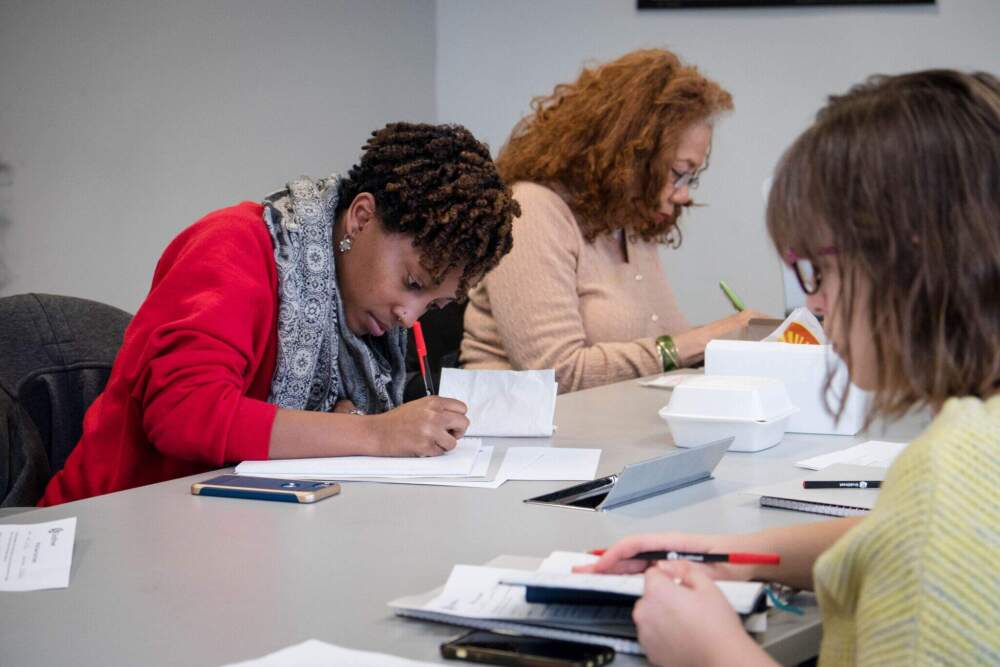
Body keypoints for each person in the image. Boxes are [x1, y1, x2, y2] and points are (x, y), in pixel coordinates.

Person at [578, 70, 1000, 665]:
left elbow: (928, 528)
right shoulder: (963, 472)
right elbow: (894, 537)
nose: (814, 303)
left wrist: (713, 652)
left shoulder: (947, 479)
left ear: (907, 260)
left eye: (819, 272)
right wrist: (728, 555)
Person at [39, 123, 519, 506]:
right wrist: (373, 433)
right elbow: (183, 414)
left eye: (433, 305)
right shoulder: (234, 246)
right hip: (114, 523)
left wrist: (343, 422)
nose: (409, 317)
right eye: (412, 283)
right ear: (361, 218)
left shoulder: (355, 311)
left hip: (237, 529)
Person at [461, 49, 765, 393]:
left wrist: (732, 341)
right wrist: (707, 338)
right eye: (677, 173)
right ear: (630, 157)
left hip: (605, 419)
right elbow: (557, 372)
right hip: (525, 422)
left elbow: (661, 347)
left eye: (689, 179)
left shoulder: (628, 222)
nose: (682, 195)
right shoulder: (531, 210)